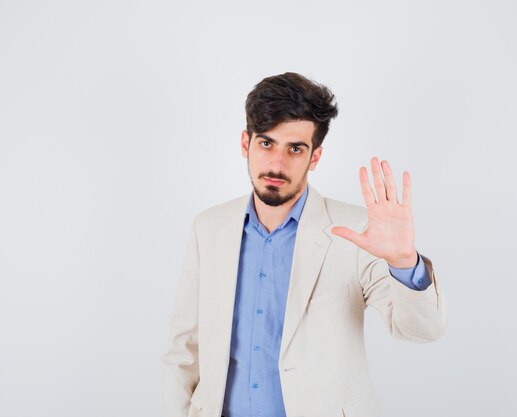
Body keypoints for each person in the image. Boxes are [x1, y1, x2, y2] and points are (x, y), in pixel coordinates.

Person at [162, 72, 447, 417]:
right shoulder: (208, 228)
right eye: (266, 143)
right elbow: (183, 350)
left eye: (295, 149)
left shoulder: (357, 232)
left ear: (314, 157)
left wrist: (404, 261)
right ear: (245, 144)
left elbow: (422, 330)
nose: (277, 164)